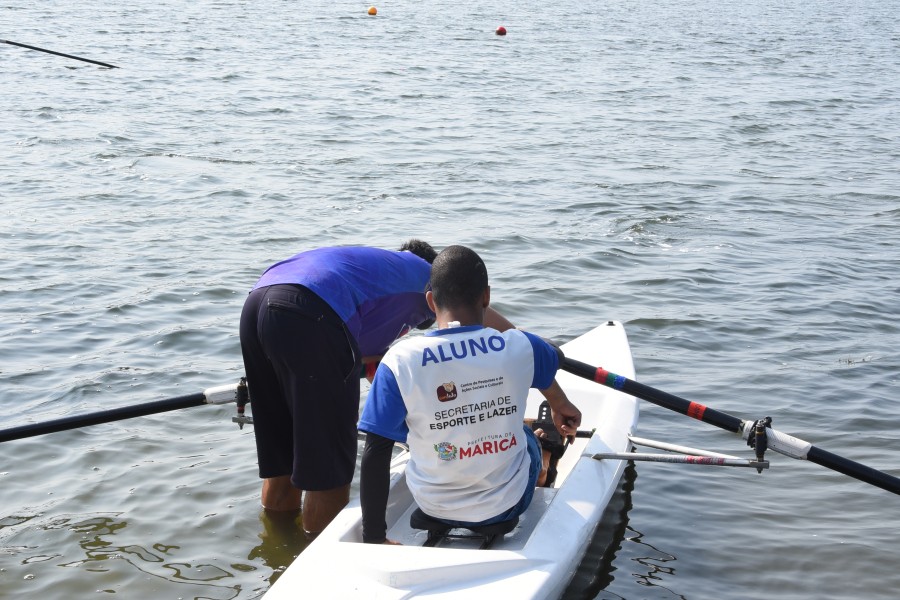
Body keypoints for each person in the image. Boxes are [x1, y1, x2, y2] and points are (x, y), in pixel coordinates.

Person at [239, 241, 516, 537]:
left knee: (282, 462)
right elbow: (481, 318)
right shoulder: (428, 271)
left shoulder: (374, 276)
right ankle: (320, 566)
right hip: (310, 311)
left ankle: (277, 549)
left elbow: (366, 362)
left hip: (257, 305)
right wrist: (523, 348)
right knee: (329, 473)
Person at [358, 245, 581, 544]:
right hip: (506, 505)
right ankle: (542, 462)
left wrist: (374, 538)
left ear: (430, 301)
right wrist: (559, 400)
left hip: (431, 504)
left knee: (415, 431)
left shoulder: (399, 360)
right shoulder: (521, 346)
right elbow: (554, 354)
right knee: (526, 436)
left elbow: (376, 451)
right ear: (487, 297)